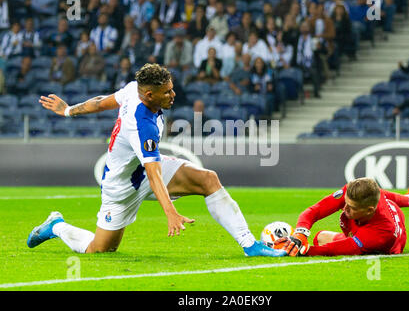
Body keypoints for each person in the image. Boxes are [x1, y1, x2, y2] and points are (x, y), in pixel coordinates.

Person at [31, 63, 286, 257]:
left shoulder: (134, 89)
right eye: (166, 92)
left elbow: (99, 103)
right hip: (121, 187)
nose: (172, 95)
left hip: (144, 169)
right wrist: (171, 212)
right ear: (150, 95)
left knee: (208, 179)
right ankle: (57, 226)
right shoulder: (143, 126)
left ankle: (249, 245)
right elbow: (153, 174)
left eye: (172, 88)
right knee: (101, 250)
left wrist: (68, 110)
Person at [275, 177, 409, 257]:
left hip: (389, 241)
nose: (345, 208)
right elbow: (314, 211)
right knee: (319, 236)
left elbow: (335, 249)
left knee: (322, 240)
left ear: (369, 210)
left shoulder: (382, 232)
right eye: (346, 202)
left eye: (352, 207)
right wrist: (300, 233)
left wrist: (303, 250)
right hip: (381, 212)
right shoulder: (355, 192)